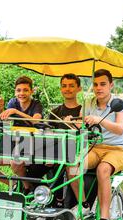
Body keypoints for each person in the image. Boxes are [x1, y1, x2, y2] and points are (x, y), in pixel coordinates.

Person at [67, 69, 123, 220]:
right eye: (95, 84)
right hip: (95, 147)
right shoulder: (89, 104)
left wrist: (99, 120)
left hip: (116, 149)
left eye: (103, 84)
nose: (98, 88)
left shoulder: (119, 104)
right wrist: (71, 123)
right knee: (72, 164)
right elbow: (81, 126)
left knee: (103, 170)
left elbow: (120, 128)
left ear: (111, 85)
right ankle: (84, 205)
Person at [0, 76, 43, 193]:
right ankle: (13, 184)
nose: (22, 93)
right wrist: (1, 109)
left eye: (25, 90)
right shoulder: (13, 102)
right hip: (13, 142)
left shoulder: (36, 104)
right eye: (18, 90)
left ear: (31, 91)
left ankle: (27, 187)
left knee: (16, 161)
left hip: (31, 143)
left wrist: (16, 111)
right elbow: (4, 120)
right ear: (15, 92)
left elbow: (36, 121)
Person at [26, 73, 82, 203]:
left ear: (79, 88)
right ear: (61, 89)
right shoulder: (54, 112)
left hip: (72, 151)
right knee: (31, 168)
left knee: (60, 164)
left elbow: (82, 134)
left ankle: (60, 199)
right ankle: (41, 194)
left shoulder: (82, 111)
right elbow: (47, 131)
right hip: (53, 151)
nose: (67, 89)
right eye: (64, 86)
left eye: (71, 86)